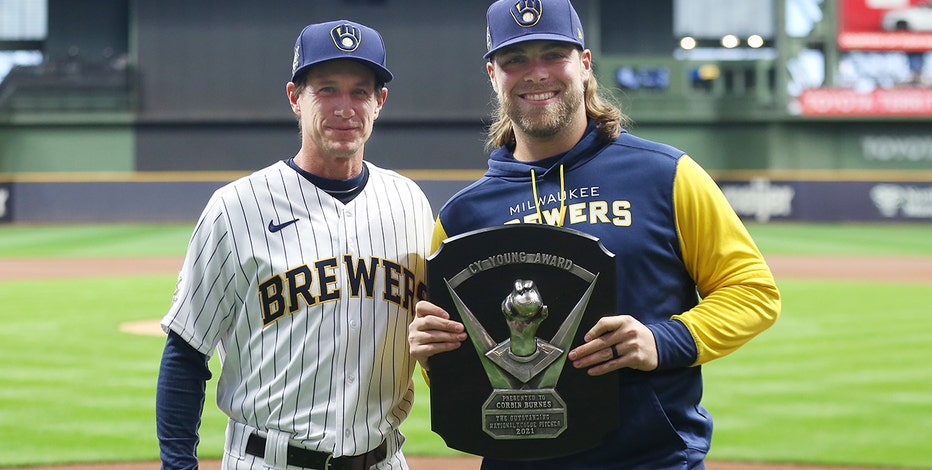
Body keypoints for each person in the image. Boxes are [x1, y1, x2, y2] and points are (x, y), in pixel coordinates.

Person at [407, 0, 781, 468]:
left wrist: (662, 340)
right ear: (492, 74)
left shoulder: (665, 175)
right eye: (515, 59)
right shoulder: (463, 215)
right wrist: (431, 356)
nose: (536, 73)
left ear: (584, 65)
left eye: (552, 55)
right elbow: (458, 369)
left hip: (650, 460)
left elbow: (753, 292)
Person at [156, 19, 434, 470]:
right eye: (326, 89)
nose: (345, 107)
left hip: (384, 459)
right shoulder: (236, 208)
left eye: (360, 91)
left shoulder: (409, 204)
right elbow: (186, 352)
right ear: (295, 98)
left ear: (379, 102)